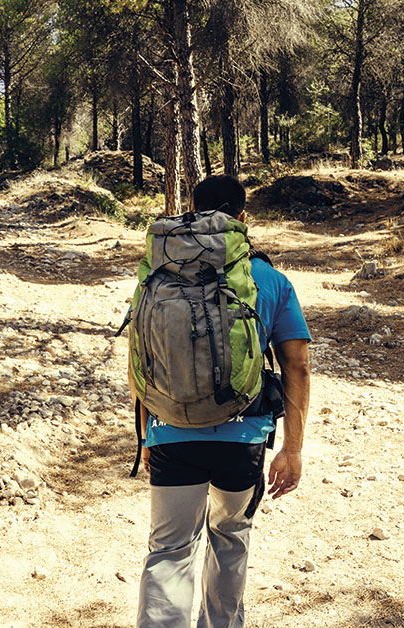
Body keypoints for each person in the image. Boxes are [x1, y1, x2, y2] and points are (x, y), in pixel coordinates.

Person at [134, 175, 312, 628]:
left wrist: (145, 439)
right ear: (242, 219)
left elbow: (141, 359)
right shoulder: (269, 279)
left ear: (192, 210)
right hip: (243, 437)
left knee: (170, 551)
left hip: (171, 431)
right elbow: (297, 366)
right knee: (230, 538)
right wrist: (292, 449)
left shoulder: (159, 273)